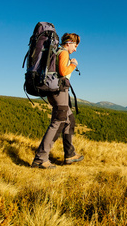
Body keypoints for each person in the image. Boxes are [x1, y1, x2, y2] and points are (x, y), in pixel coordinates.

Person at [31, 33, 84, 169]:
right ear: (69, 42)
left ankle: (70, 154)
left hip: (58, 91)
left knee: (69, 120)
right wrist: (73, 64)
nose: (76, 49)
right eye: (75, 45)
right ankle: (40, 158)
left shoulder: (57, 52)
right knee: (58, 122)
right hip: (59, 92)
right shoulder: (64, 52)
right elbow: (62, 71)